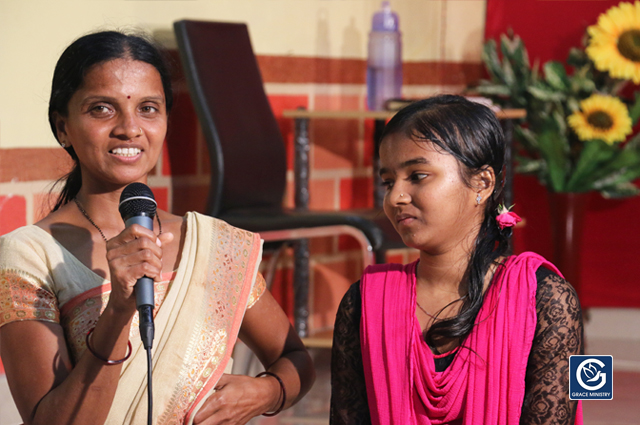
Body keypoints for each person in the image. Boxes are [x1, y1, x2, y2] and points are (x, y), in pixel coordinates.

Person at [0, 30, 314, 425]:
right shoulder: (30, 254)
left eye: (148, 108)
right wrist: (117, 310)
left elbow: (296, 359)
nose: (130, 128)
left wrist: (266, 391)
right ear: (62, 127)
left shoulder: (214, 244)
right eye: (102, 109)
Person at [330, 95, 584, 425]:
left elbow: (583, 399)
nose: (395, 198)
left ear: (482, 183)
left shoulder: (549, 298)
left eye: (417, 176)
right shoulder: (364, 301)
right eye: (388, 182)